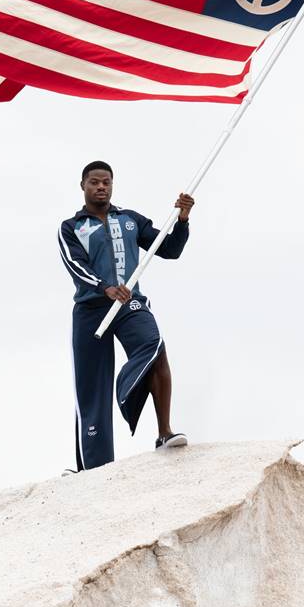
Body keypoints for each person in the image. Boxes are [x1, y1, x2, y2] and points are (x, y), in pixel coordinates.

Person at [58, 160, 194, 472]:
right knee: (90, 389)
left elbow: (169, 249)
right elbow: (75, 265)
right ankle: (93, 467)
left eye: (106, 181)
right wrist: (104, 287)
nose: (101, 187)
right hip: (91, 311)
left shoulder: (130, 220)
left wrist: (182, 220)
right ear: (83, 186)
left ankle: (164, 433)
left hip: (129, 304)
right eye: (94, 182)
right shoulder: (71, 227)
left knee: (154, 346)